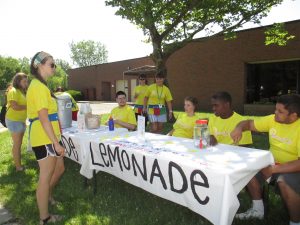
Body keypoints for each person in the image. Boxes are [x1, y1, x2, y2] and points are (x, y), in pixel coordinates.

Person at [231, 94, 300, 225]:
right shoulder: (272, 120)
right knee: (248, 169)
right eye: (275, 109)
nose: (275, 113)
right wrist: (239, 128)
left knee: (285, 181)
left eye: (280, 111)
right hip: (273, 164)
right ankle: (258, 210)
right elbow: (248, 123)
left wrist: (274, 169)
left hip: (293, 169)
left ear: (293, 116)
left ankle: (295, 222)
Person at [27, 51, 65, 224]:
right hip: (44, 138)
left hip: (48, 136)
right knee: (45, 176)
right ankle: (45, 218)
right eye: (52, 64)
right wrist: (56, 143)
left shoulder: (41, 86)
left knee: (59, 169)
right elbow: (43, 117)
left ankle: (47, 196)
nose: (54, 68)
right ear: (39, 65)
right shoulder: (38, 86)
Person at [5, 73, 28, 171]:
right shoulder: (13, 91)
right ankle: (18, 167)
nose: (26, 83)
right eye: (24, 81)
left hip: (20, 121)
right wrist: (28, 107)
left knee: (18, 143)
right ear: (18, 81)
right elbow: (14, 106)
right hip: (13, 120)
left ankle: (18, 163)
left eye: (27, 81)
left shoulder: (22, 92)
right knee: (17, 144)